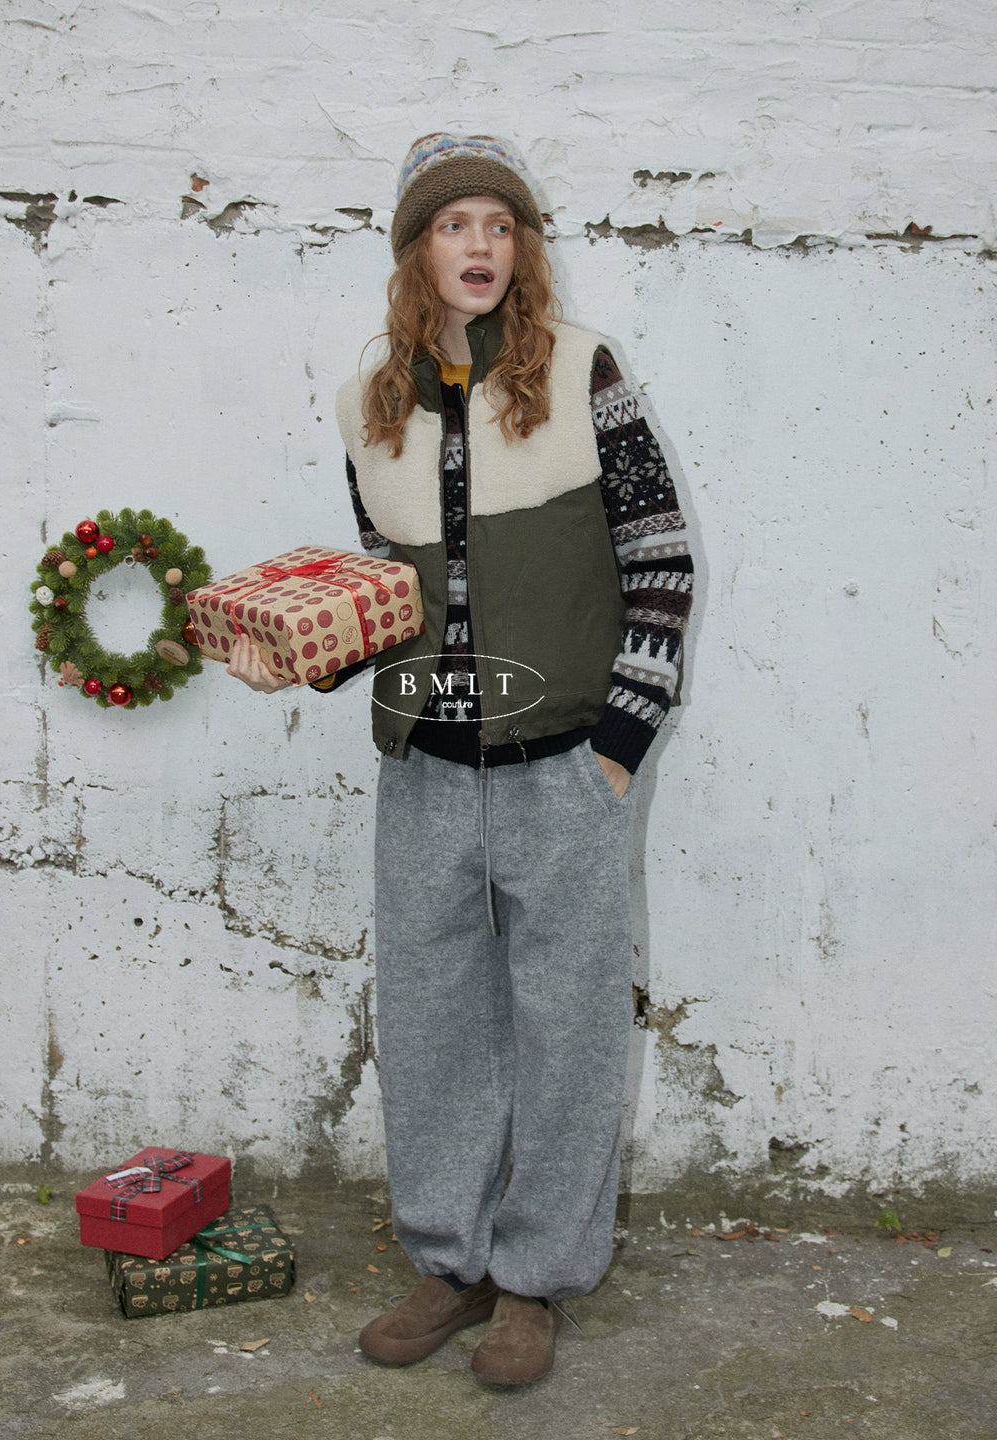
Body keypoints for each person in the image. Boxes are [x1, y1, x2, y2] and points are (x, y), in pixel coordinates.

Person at [227, 133, 693, 1386]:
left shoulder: (586, 372)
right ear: (416, 250)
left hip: (566, 763)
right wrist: (299, 658)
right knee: (434, 1022)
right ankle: (450, 1260)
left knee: (568, 1028)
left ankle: (537, 1278)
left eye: (499, 223)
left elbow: (661, 561)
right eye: (453, 225)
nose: (479, 245)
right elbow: (384, 604)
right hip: (424, 768)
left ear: (522, 246)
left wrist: (620, 747)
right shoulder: (366, 405)